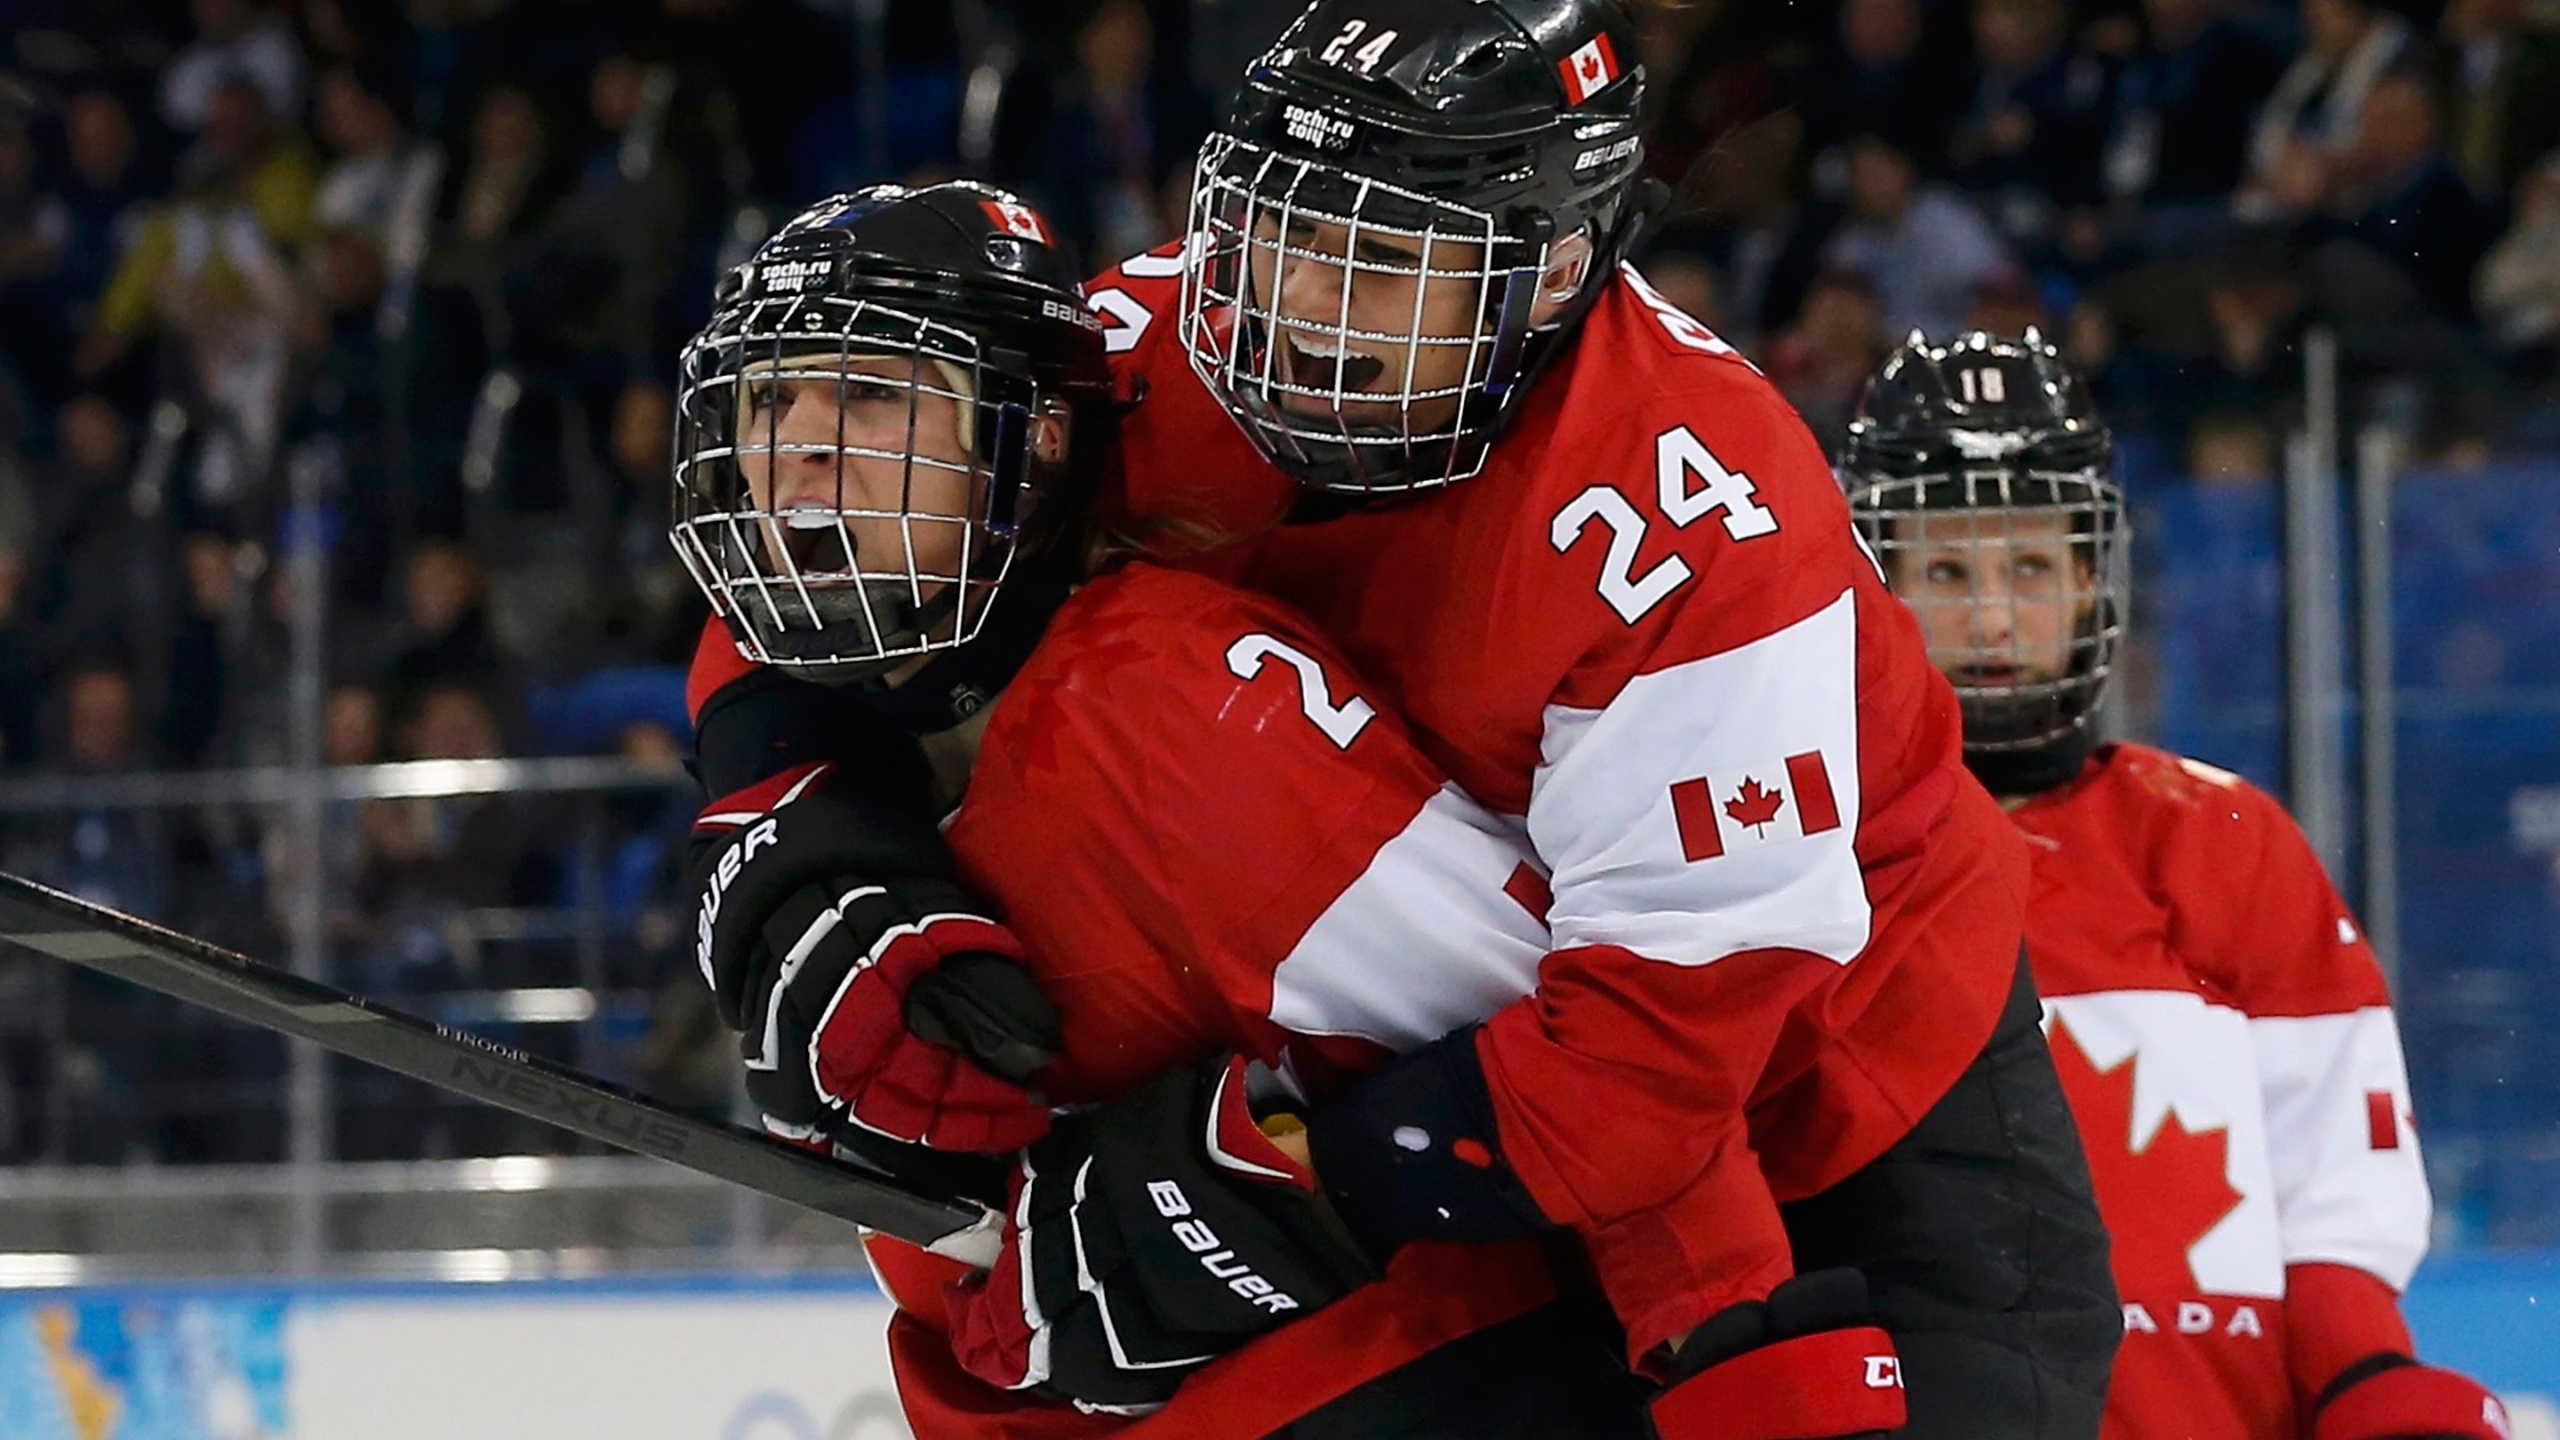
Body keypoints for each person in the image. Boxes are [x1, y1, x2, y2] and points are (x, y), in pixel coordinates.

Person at [694, 1, 2119, 1435]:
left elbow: (1651, 1071)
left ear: (1551, 269)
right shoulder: (1166, 344)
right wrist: (794, 817)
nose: (1298, 304)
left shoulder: (1699, 533)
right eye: (1277, 229)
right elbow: (862, 513)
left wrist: (1288, 1182)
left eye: (1374, 263)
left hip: (1854, 1113)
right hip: (1501, 1078)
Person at [673, 180, 1645, 1439]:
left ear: (1031, 442)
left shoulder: (1180, 716)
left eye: (870, 393)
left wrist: (1285, 1188)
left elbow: (1591, 1071)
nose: (799, 443)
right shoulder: (819, 807)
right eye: (771, 397)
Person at [1839, 329, 2509, 1440]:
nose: (1995, 618)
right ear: (1877, 584)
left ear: (2094, 576)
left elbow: (2332, 1184)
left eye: (2031, 567)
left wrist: (2360, 1377)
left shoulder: (2221, 841)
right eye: (1949, 571)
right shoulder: (1811, 851)